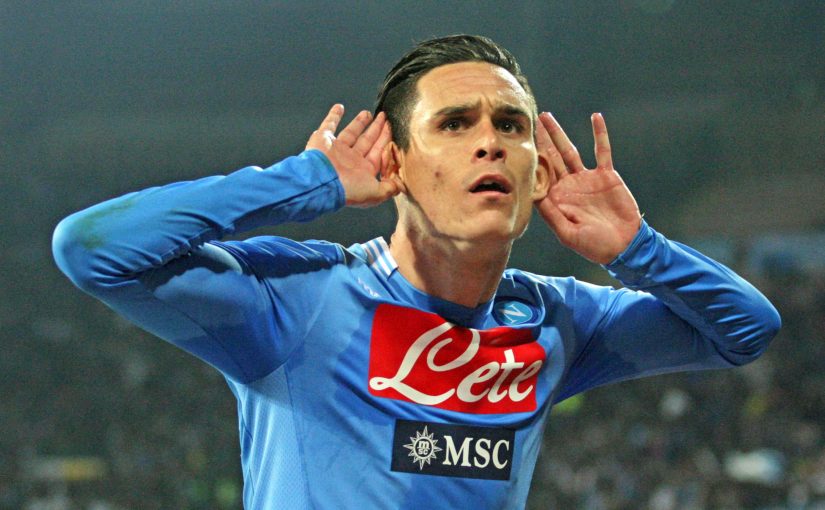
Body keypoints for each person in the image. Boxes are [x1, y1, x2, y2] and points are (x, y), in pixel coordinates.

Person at [52, 34, 780, 509]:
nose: (489, 144)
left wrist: (636, 249)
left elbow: (746, 330)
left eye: (510, 125)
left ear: (536, 175)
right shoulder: (301, 301)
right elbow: (91, 248)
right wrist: (305, 181)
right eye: (455, 124)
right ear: (392, 162)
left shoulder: (559, 322)